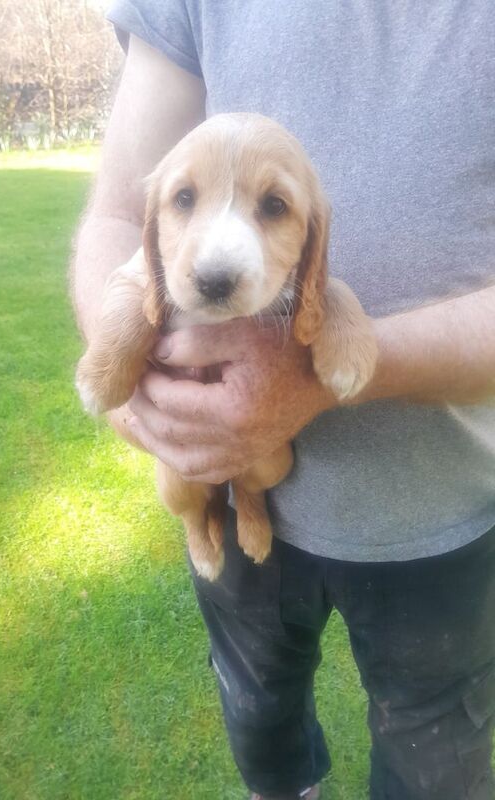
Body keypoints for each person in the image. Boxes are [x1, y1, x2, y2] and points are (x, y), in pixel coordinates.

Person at [71, 3, 495, 798]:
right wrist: (136, 384)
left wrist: (344, 363)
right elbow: (124, 212)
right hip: (238, 510)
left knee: (436, 765)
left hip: (443, 517)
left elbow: (326, 299)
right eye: (188, 201)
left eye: (274, 206)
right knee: (262, 723)